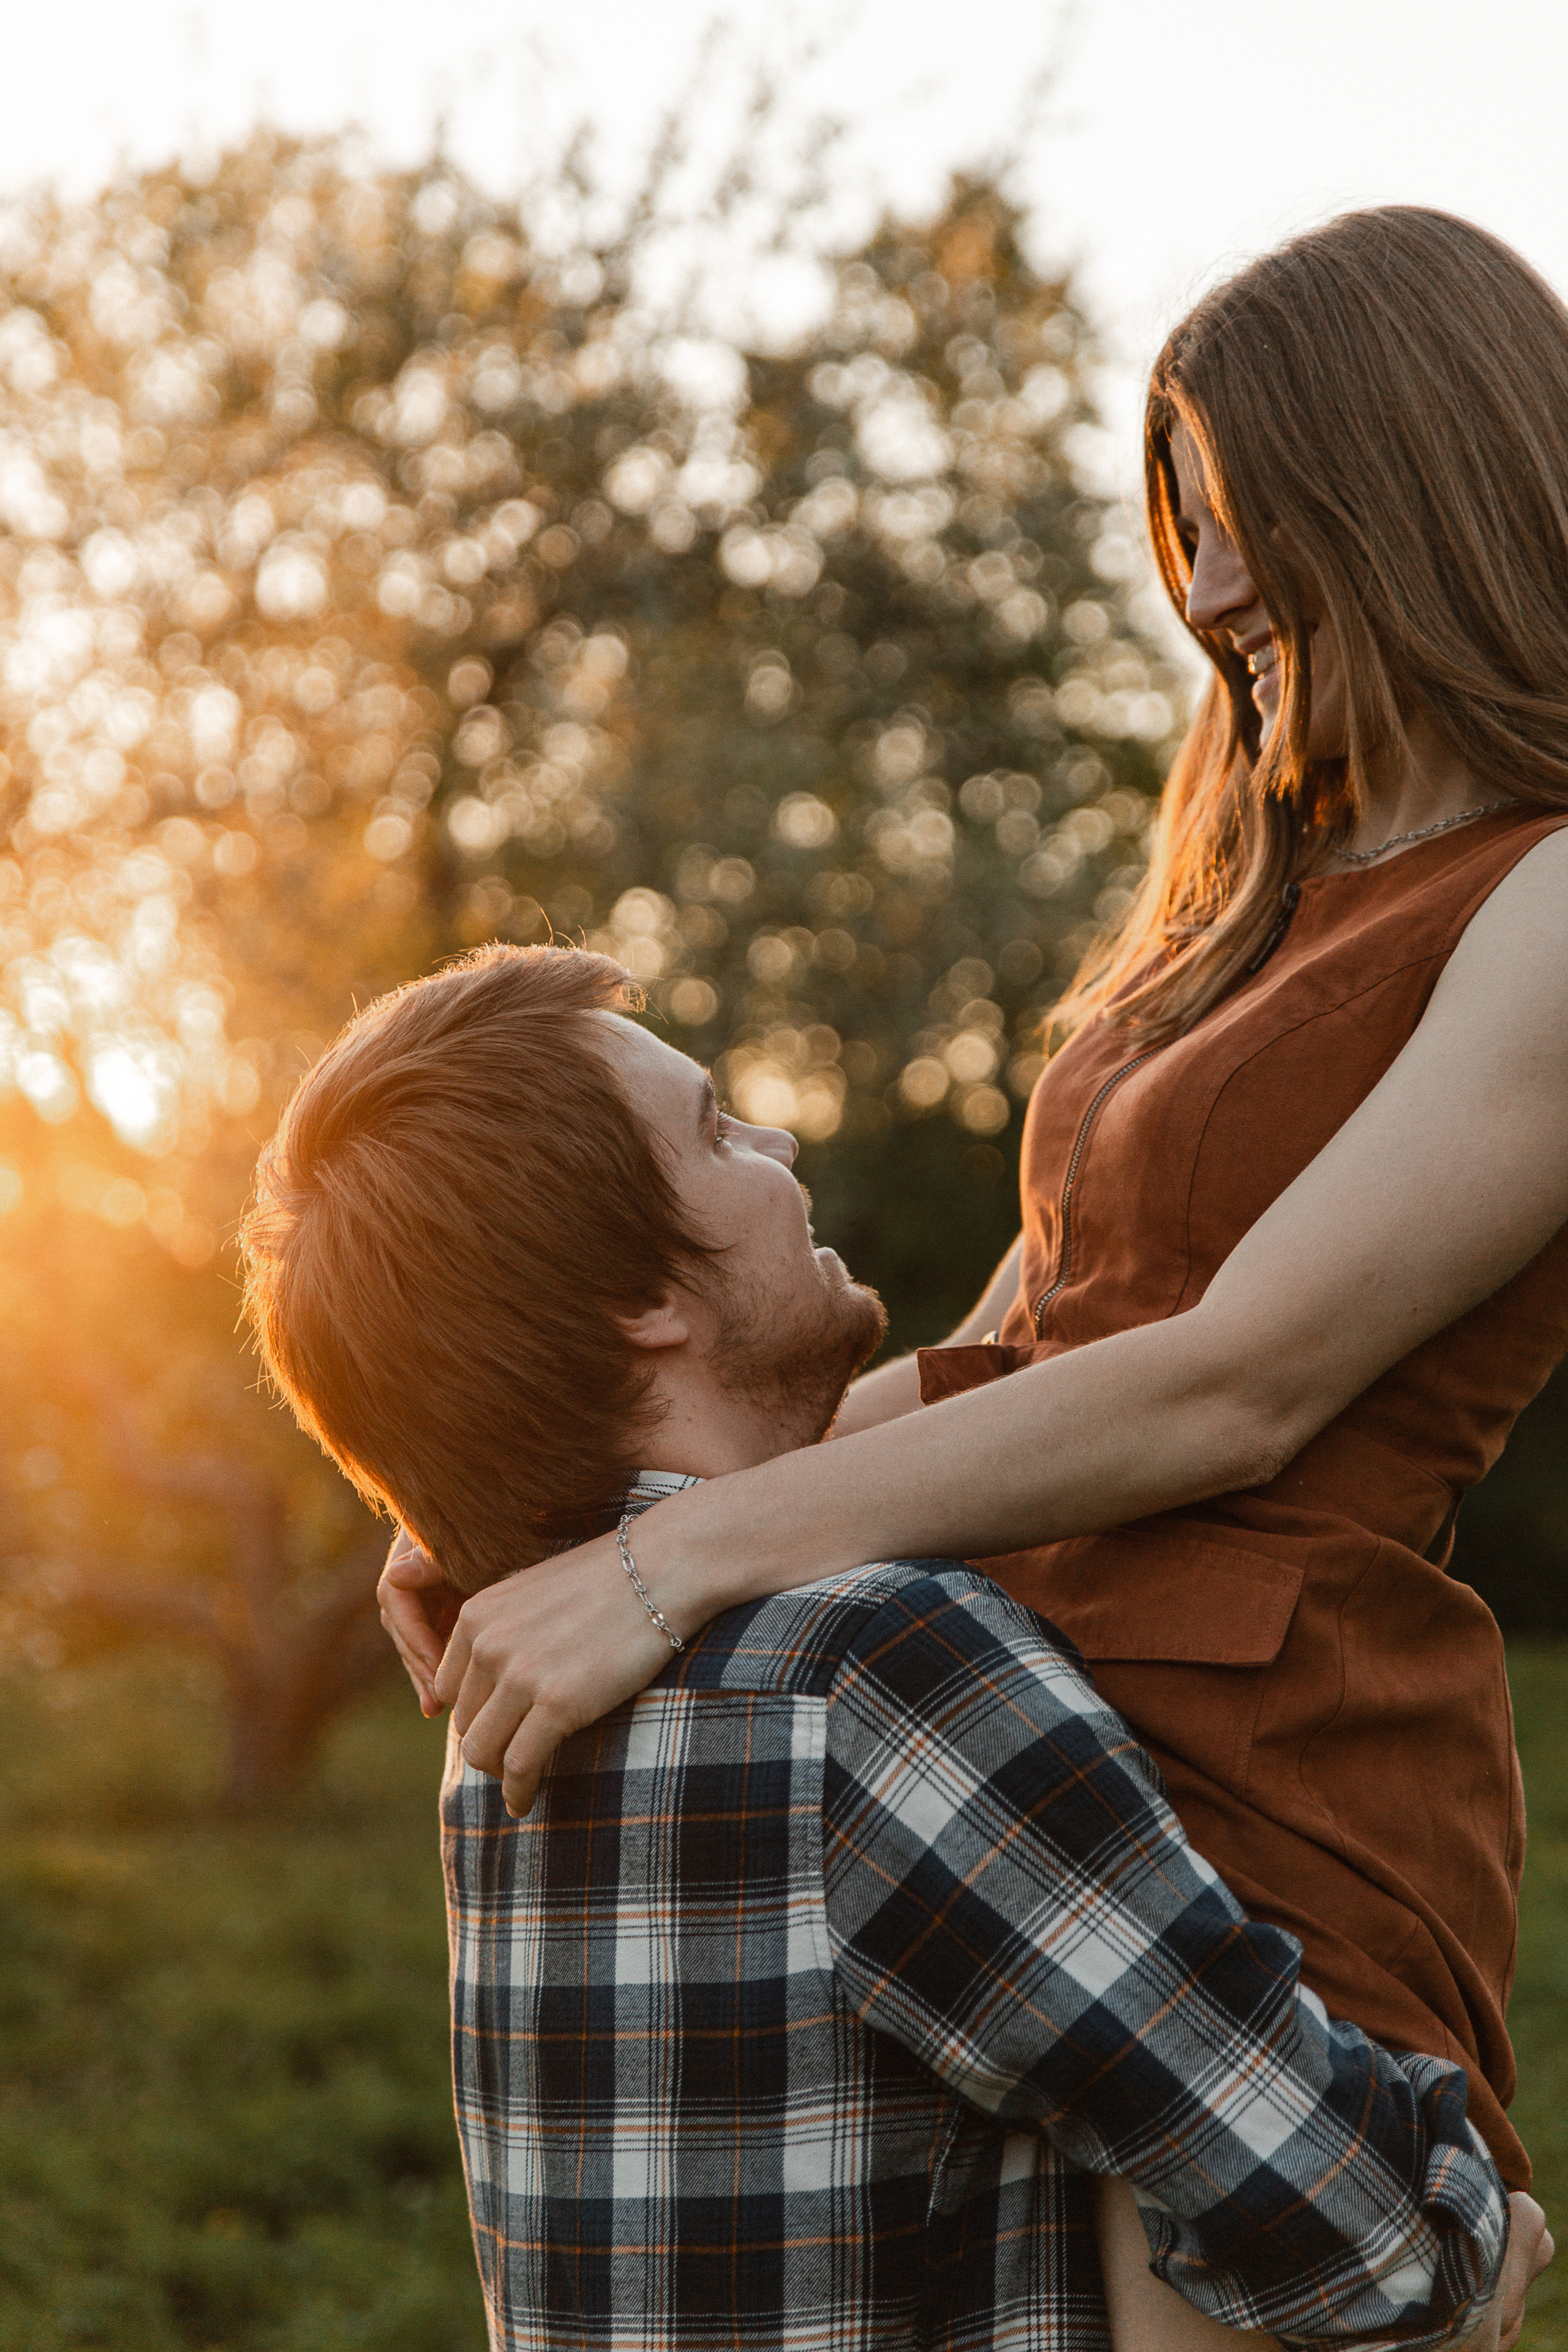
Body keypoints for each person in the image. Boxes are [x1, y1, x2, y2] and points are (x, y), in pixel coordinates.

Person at [380, 203, 1568, 2221]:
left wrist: (672, 1572)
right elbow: (1006, 1359)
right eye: (1185, 522)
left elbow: (1243, 1387)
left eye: (1241, 513)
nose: (1203, 583)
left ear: (1411, 480)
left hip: (1272, 1783)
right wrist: (550, 1521)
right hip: (1016, 1758)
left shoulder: (1547, 902)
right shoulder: (1245, 905)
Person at [239, 943, 1547, 2352]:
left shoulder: (515, 1705)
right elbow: (1352, 2236)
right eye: (717, 1131)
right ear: (640, 1305)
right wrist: (1469, 2237)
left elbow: (1039, 1309)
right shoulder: (876, 1671)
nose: (780, 1141)